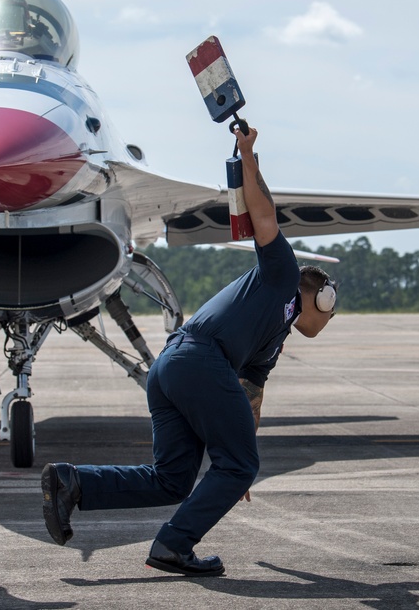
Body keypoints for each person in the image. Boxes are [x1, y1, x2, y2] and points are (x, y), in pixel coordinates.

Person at [41, 124, 336, 577]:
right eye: (329, 312)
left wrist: (242, 459)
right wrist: (248, 156)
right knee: (235, 465)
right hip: (199, 362)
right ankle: (174, 545)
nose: (328, 320)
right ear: (320, 298)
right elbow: (264, 216)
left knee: (173, 478)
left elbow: (250, 392)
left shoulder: (273, 334)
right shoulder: (282, 276)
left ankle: (72, 481)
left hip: (173, 366)